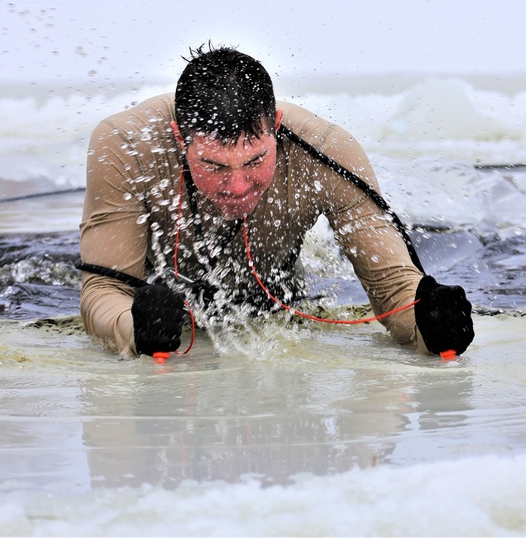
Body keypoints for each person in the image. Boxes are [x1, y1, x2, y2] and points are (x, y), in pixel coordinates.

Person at [78, 44, 474, 358]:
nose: (236, 187)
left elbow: (395, 288)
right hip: (159, 300)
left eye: (255, 161)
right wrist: (135, 327)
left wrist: (429, 325)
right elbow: (102, 289)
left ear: (276, 127)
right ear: (180, 139)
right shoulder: (126, 145)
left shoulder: (325, 152)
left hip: (274, 297)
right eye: (214, 166)